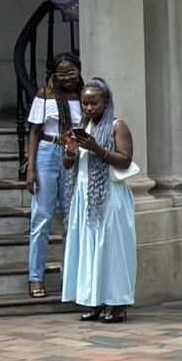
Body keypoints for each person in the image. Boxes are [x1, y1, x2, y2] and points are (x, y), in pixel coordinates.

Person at [60, 77, 136, 323]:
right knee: (89, 251)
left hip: (109, 196)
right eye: (85, 103)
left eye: (94, 103)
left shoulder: (117, 126)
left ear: (106, 102)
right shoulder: (83, 127)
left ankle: (119, 303)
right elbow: (68, 165)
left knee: (112, 250)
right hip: (84, 197)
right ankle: (94, 301)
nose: (89, 108)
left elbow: (124, 160)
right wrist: (71, 149)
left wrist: (96, 148)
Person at [22, 51, 82, 298]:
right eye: (61, 74)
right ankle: (35, 277)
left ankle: (68, 276)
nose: (66, 78)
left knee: (71, 219)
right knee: (42, 217)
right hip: (48, 151)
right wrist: (30, 168)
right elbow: (35, 131)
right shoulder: (44, 95)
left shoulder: (84, 96)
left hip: (74, 153)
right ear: (54, 75)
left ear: (78, 71)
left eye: (71, 73)